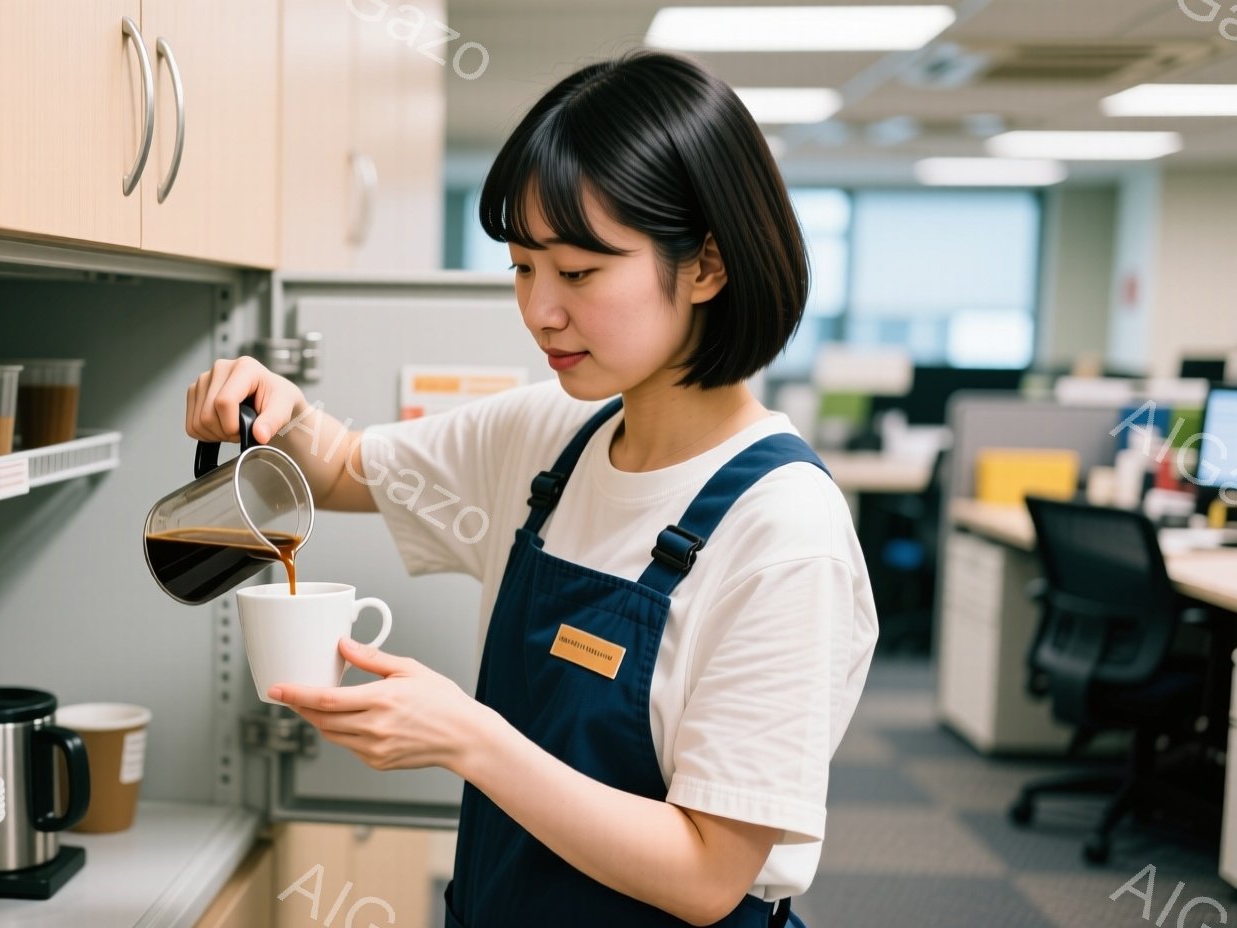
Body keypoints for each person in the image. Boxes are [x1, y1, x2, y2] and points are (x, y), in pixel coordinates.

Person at [186, 51, 877, 928]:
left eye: (579, 273)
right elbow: (348, 467)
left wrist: (466, 738)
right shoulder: (550, 436)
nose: (539, 310)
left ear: (706, 265)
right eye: (521, 266)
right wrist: (275, 407)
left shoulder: (785, 531)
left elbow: (708, 876)